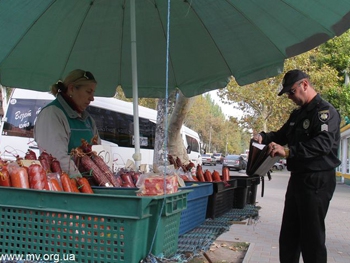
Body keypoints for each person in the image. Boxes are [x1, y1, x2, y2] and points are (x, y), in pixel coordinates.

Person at [254, 69, 340, 263]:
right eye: (287, 94)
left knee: (311, 239)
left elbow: (323, 144)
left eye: (292, 91)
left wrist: (289, 151)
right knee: (289, 236)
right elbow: (281, 134)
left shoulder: (325, 113)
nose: (290, 97)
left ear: (305, 85)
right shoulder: (297, 115)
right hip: (298, 180)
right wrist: (263, 137)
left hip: (317, 180)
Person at [34, 69, 101, 175]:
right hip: (65, 187)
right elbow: (57, 158)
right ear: (71, 89)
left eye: (93, 93)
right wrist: (83, 184)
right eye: (88, 92)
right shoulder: (52, 114)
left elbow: (98, 154)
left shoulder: (88, 120)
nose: (92, 98)